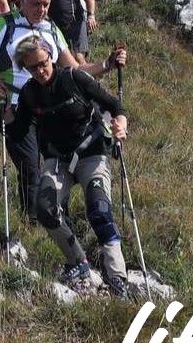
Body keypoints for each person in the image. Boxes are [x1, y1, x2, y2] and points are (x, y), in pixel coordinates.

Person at [0, 0, 126, 216]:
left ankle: (55, 215)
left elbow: (74, 70)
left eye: (46, 4)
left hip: (49, 108)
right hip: (13, 105)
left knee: (53, 165)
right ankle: (34, 219)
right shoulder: (3, 25)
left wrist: (107, 64)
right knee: (30, 165)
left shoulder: (52, 29)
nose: (42, 9)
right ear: (22, 1)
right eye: (36, 3)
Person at [11, 35, 130, 296]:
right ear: (26, 68)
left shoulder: (74, 78)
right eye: (33, 67)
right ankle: (79, 261)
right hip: (57, 159)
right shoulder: (30, 93)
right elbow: (18, 130)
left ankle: (118, 277)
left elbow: (113, 105)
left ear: (51, 57)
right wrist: (3, 107)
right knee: (45, 209)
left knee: (99, 209)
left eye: (43, 63)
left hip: (92, 151)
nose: (40, 71)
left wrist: (119, 123)